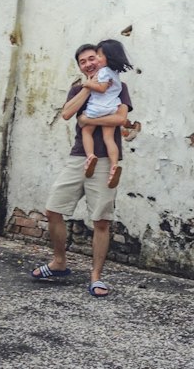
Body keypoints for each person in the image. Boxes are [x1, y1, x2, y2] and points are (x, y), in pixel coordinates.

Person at [31, 42, 134, 298]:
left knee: (101, 219)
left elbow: (120, 119)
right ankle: (59, 263)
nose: (89, 64)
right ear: (79, 66)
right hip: (79, 157)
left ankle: (96, 277)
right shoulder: (78, 88)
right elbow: (67, 114)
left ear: (101, 59)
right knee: (53, 209)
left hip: (105, 161)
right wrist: (88, 88)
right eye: (83, 62)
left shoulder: (120, 87)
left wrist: (88, 119)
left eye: (92, 58)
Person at [78, 38, 134, 189]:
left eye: (98, 56)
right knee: (109, 138)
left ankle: (90, 156)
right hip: (112, 106)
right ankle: (114, 166)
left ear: (107, 58)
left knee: (86, 131)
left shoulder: (103, 72)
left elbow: (101, 88)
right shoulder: (115, 73)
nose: (96, 59)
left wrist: (88, 83)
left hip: (98, 107)